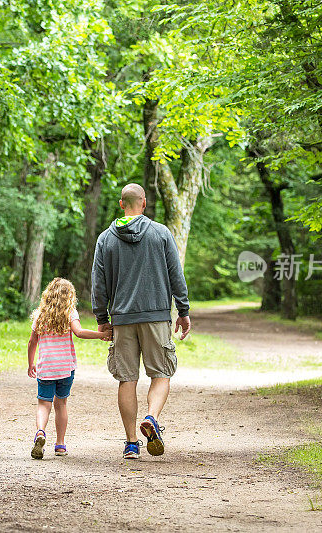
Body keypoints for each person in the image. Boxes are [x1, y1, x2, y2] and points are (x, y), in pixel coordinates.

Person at [91, 183, 191, 459]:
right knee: (161, 374)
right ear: (143, 204)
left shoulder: (105, 239)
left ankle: (132, 443)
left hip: (122, 319)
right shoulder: (160, 233)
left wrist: (102, 317)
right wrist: (182, 310)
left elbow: (98, 283)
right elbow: (176, 274)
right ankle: (152, 417)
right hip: (156, 316)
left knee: (127, 379)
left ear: (122, 204)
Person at [27, 278, 111, 459]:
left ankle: (40, 432)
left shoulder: (40, 315)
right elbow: (79, 332)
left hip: (46, 368)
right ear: (70, 296)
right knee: (61, 404)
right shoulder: (70, 313)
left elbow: (32, 341)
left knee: (44, 404)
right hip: (65, 368)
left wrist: (30, 363)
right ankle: (60, 444)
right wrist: (101, 335)